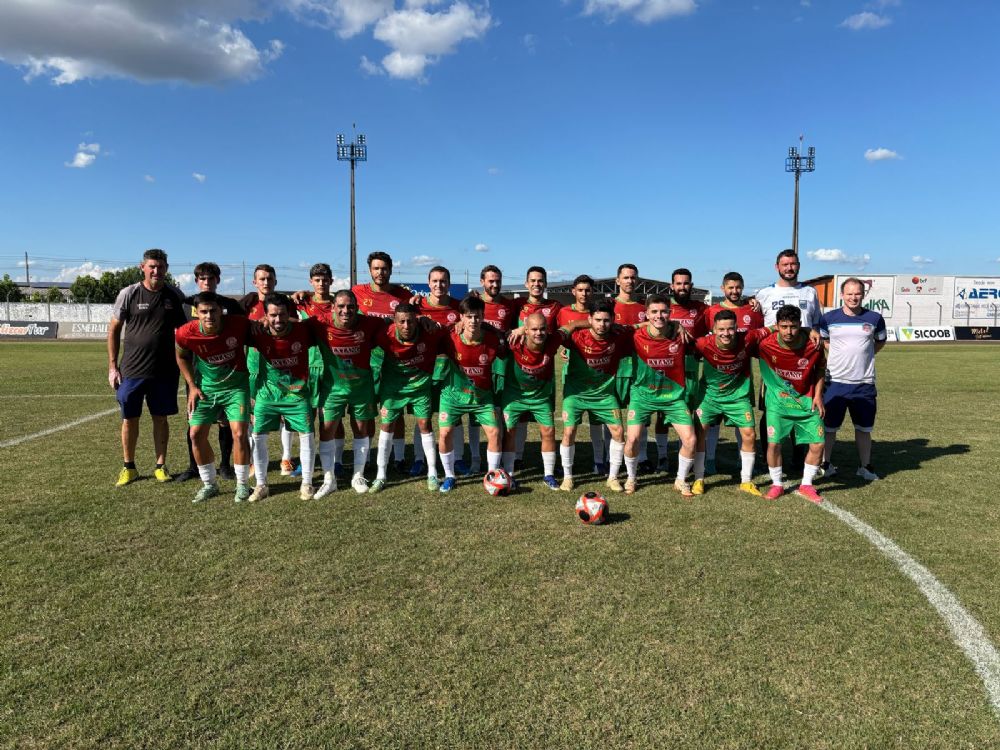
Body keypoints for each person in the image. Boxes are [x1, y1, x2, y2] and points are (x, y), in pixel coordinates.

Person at [108, 248, 187, 486]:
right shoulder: (129, 293)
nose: (156, 270)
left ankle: (160, 466)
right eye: (152, 266)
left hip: (164, 372)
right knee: (129, 419)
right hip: (131, 370)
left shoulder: (175, 295)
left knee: (160, 418)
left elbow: (184, 333)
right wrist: (113, 366)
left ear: (166, 269)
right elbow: (114, 329)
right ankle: (128, 467)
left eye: (161, 266)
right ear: (142, 267)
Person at [175, 292, 253, 503]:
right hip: (205, 390)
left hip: (236, 388)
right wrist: (191, 385)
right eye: (204, 311)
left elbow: (263, 334)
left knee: (239, 433)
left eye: (213, 311)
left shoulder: (238, 324)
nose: (209, 315)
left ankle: (243, 485)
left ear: (221, 311)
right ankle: (210, 484)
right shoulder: (186, 332)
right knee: (195, 434)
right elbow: (181, 356)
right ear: (197, 313)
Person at [246, 292, 324, 502]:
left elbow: (325, 320)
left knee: (306, 434)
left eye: (282, 315)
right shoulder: (256, 331)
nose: (277, 320)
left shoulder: (303, 330)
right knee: (258, 437)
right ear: (266, 315)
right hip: (267, 394)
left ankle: (307, 483)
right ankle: (261, 485)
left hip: (296, 394)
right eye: (272, 315)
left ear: (288, 314)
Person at [618, 294, 697, 496]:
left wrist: (679, 326)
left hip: (673, 397)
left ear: (670, 313)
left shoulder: (680, 336)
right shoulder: (636, 336)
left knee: (690, 440)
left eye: (663, 311)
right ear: (646, 314)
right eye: (654, 312)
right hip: (642, 395)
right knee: (632, 440)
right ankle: (631, 478)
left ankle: (680, 480)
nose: (659, 315)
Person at [312, 289, 387, 496]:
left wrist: (425, 320)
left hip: (361, 387)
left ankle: (357, 475)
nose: (346, 311)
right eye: (342, 307)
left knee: (361, 429)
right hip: (333, 389)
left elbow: (398, 323)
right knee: (327, 430)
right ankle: (329, 479)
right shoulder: (319, 324)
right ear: (333, 307)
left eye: (351, 307)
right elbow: (291, 326)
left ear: (357, 308)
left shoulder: (370, 324)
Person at [754, 249, 822, 473]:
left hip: (802, 360)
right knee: (771, 410)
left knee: (801, 407)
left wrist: (812, 331)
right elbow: (757, 327)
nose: (789, 268)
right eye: (785, 264)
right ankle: (768, 456)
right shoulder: (764, 294)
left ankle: (798, 458)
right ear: (777, 267)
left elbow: (816, 323)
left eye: (793, 264)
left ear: (799, 266)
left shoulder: (810, 292)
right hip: (775, 364)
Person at [693, 309, 772, 497]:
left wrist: (808, 331)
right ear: (713, 329)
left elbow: (774, 328)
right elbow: (682, 344)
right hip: (709, 397)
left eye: (730, 329)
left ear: (737, 328)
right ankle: (698, 478)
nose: (726, 333)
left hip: (738, 397)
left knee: (749, 434)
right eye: (721, 329)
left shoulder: (748, 338)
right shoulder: (703, 343)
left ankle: (746, 481)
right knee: (699, 433)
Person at [370, 303, 447, 493]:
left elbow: (451, 333)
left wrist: (431, 321)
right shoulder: (384, 335)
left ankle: (432, 473)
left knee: (425, 424)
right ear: (394, 322)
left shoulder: (429, 332)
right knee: (387, 426)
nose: (406, 326)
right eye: (402, 322)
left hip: (420, 387)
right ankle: (381, 476)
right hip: (393, 388)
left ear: (417, 320)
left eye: (410, 321)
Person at [559, 298, 633, 493]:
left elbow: (644, 325)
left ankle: (613, 477)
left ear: (613, 320)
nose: (602, 324)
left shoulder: (618, 335)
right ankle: (568, 477)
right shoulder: (577, 337)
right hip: (576, 393)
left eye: (606, 320)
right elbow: (547, 335)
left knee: (618, 431)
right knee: (569, 432)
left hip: (604, 395)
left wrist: (677, 326)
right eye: (598, 320)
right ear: (590, 319)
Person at [755, 304, 826, 503]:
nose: (788, 331)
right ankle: (777, 484)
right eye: (784, 326)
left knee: (818, 444)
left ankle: (806, 484)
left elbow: (820, 370)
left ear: (800, 325)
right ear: (777, 326)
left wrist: (818, 396)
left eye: (794, 326)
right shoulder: (765, 344)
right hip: (778, 404)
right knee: (774, 444)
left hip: (807, 402)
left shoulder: (813, 345)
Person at [818, 277, 887, 481]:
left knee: (863, 429)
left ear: (863, 295)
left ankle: (865, 466)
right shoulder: (828, 318)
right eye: (849, 293)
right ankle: (825, 464)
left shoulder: (874, 318)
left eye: (857, 293)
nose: (853, 297)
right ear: (842, 295)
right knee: (829, 428)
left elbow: (880, 342)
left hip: (863, 384)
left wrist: (865, 356)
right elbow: (824, 340)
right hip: (835, 382)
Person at [437, 295, 506, 492]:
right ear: (461, 318)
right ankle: (449, 476)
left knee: (494, 432)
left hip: (482, 398)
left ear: (483, 317)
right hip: (453, 396)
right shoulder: (450, 338)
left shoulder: (492, 341)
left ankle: (492, 475)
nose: (473, 321)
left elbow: (509, 347)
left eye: (477, 317)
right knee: (445, 433)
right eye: (469, 317)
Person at [352, 251, 412, 473]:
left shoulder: (403, 295)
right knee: (366, 412)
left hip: (394, 362)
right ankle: (365, 457)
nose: (380, 272)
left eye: (384, 268)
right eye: (376, 268)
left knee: (394, 410)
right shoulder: (357, 292)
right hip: (366, 362)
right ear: (370, 270)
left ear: (391, 270)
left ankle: (398, 458)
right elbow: (334, 303)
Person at [703, 271, 765, 474]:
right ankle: (710, 460)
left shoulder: (752, 310)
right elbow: (703, 338)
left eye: (738, 287)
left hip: (741, 378)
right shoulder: (711, 311)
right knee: (712, 423)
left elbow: (758, 338)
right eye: (730, 287)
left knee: (743, 422)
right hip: (714, 377)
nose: (735, 291)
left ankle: (743, 461)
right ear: (723, 289)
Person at [501, 312, 566, 490]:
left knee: (548, 431)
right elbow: (493, 332)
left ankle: (549, 474)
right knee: (509, 431)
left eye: (543, 329)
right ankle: (509, 474)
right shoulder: (514, 341)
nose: (539, 333)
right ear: (526, 331)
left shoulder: (553, 341)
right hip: (515, 396)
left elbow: (572, 326)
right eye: (534, 329)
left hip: (540, 396)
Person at [411, 266, 462, 477]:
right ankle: (419, 459)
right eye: (435, 281)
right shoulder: (418, 306)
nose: (439, 285)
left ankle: (458, 459)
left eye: (443, 281)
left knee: (455, 415)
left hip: (452, 369)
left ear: (449, 284)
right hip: (425, 367)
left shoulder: (459, 307)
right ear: (428, 283)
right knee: (423, 416)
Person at [557, 274, 606, 475]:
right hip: (572, 372)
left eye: (588, 290)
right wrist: (563, 347)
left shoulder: (598, 311)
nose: (584, 293)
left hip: (597, 374)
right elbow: (557, 333)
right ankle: (566, 465)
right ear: (573, 291)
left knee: (596, 420)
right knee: (571, 424)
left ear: (592, 292)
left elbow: (602, 325)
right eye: (580, 290)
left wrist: (577, 324)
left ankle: (598, 461)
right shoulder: (564, 312)